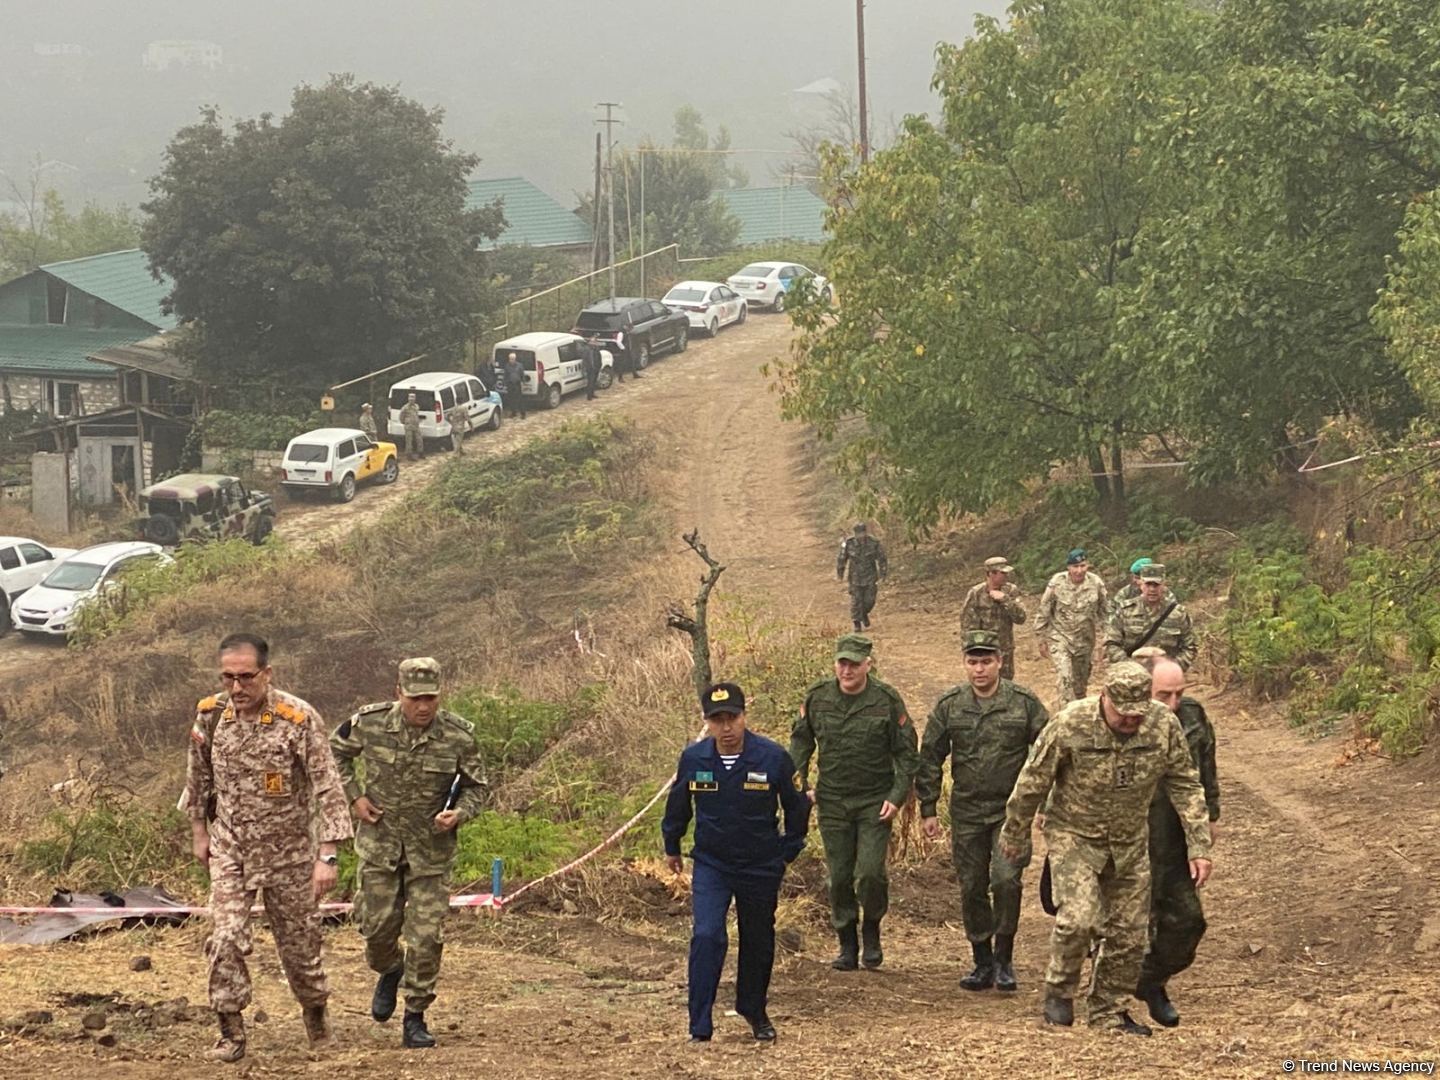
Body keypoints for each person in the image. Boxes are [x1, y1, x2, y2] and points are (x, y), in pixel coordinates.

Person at [999, 661, 1213, 1035]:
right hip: (1075, 836)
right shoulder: (1070, 723)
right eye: (1123, 714)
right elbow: (1032, 781)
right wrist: (1015, 834)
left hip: (1130, 841)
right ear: (1104, 699)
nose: (1131, 721)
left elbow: (1185, 783)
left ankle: (1108, 1011)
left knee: (1128, 934)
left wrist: (1199, 844)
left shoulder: (1163, 725)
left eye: (1138, 714)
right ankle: (1060, 991)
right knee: (1078, 918)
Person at [184, 632, 353, 1063]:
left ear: (267, 673)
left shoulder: (297, 719)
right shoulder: (210, 715)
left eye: (246, 677)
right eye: (228, 678)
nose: (237, 688)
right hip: (232, 850)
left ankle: (316, 1017)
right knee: (225, 938)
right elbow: (197, 779)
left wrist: (327, 856)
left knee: (300, 948)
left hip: (290, 855)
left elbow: (328, 789)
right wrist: (200, 833)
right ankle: (230, 1031)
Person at [330, 658, 487, 1050]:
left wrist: (460, 813)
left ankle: (415, 1015)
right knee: (376, 929)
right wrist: (355, 797)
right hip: (380, 846)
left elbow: (478, 786)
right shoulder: (369, 724)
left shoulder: (458, 736)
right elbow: (332, 755)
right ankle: (389, 969)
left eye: (431, 698)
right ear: (398, 693)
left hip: (430, 852)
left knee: (426, 936)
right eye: (415, 698)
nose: (423, 706)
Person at [662, 682, 811, 1044]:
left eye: (732, 718)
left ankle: (754, 1010)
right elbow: (678, 805)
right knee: (707, 935)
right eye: (717, 721)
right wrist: (672, 845)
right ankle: (699, 1022)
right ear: (707, 723)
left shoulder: (773, 757)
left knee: (757, 939)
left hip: (760, 864)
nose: (726, 728)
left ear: (745, 717)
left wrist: (786, 851)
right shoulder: (695, 758)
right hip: (713, 863)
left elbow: (797, 806)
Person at [917, 630, 1049, 992]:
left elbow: (1050, 752)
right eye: (973, 662)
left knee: (1006, 881)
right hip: (967, 810)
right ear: (965, 663)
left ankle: (1004, 957)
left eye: (986, 661)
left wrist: (1045, 804)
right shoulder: (950, 705)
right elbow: (929, 755)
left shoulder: (1023, 703)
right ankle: (982, 959)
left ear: (999, 662)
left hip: (1012, 811)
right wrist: (928, 807)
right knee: (972, 884)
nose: (979, 669)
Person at [790, 633, 918, 971]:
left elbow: (907, 753)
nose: (847, 670)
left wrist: (897, 795)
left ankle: (872, 929)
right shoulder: (818, 697)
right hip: (832, 800)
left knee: (870, 873)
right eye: (842, 663)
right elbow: (801, 743)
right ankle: (847, 941)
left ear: (867, 665)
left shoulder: (886, 700)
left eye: (854, 664)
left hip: (875, 801)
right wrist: (801, 786)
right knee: (839, 876)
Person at [1135, 657, 1220, 1028]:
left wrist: (1211, 816)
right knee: (1124, 924)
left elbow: (1206, 768)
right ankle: (1107, 996)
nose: (1172, 704)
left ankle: (1149, 979)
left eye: (1178, 694)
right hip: (1132, 837)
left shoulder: (1193, 716)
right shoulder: (1125, 720)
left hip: (1175, 838)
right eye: (1163, 695)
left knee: (1188, 922)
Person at [1035, 548, 1109, 707]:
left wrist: (1107, 639)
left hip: (1085, 641)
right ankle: (1064, 716)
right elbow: (1044, 609)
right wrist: (1041, 637)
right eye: (1075, 567)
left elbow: (1104, 613)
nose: (1079, 570)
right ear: (1068, 567)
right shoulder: (1057, 582)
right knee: (1065, 678)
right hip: (1061, 638)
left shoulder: (1096, 583)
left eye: (1083, 566)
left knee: (1080, 686)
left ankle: (1079, 712)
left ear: (1088, 565)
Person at [1105, 563, 1197, 670]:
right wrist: (1130, 666)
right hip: (1132, 675)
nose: (1152, 589)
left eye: (1156, 585)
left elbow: (1191, 647)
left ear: (1164, 584)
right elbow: (1111, 644)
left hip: (1166, 674)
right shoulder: (1125, 611)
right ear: (1141, 584)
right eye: (1148, 584)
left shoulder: (1177, 613)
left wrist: (1174, 667)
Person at [959, 556, 1027, 680]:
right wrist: (970, 650)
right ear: (990, 574)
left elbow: (1021, 618)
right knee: (984, 681)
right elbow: (966, 624)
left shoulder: (1011, 590)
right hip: (984, 648)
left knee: (1006, 683)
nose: (1006, 576)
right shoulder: (976, 593)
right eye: (1003, 573)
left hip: (1005, 648)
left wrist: (1005, 600)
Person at [836, 522, 887, 632]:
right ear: (855, 534)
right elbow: (842, 558)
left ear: (865, 532)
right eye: (858, 533)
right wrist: (840, 573)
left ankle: (864, 613)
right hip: (855, 577)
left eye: (862, 533)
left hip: (870, 576)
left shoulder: (874, 543)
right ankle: (857, 623)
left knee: (870, 600)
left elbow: (882, 558)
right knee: (856, 601)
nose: (860, 536)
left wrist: (883, 573)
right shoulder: (848, 544)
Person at [503, 353, 528, 420]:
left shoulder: (519, 365)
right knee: (511, 399)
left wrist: (524, 383)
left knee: (520, 399)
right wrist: (505, 384)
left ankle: (523, 413)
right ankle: (513, 412)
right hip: (510, 384)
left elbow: (522, 375)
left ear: (515, 359)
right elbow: (505, 375)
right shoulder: (507, 366)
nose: (511, 360)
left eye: (512, 359)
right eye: (510, 359)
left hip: (517, 384)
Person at [399, 393, 424, 460]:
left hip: (416, 425)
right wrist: (405, 422)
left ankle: (420, 453)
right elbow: (401, 416)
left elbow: (417, 414)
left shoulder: (416, 406)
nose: (412, 399)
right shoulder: (405, 407)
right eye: (410, 398)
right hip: (409, 426)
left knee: (419, 439)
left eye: (413, 398)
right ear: (408, 399)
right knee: (409, 441)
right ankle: (409, 455)